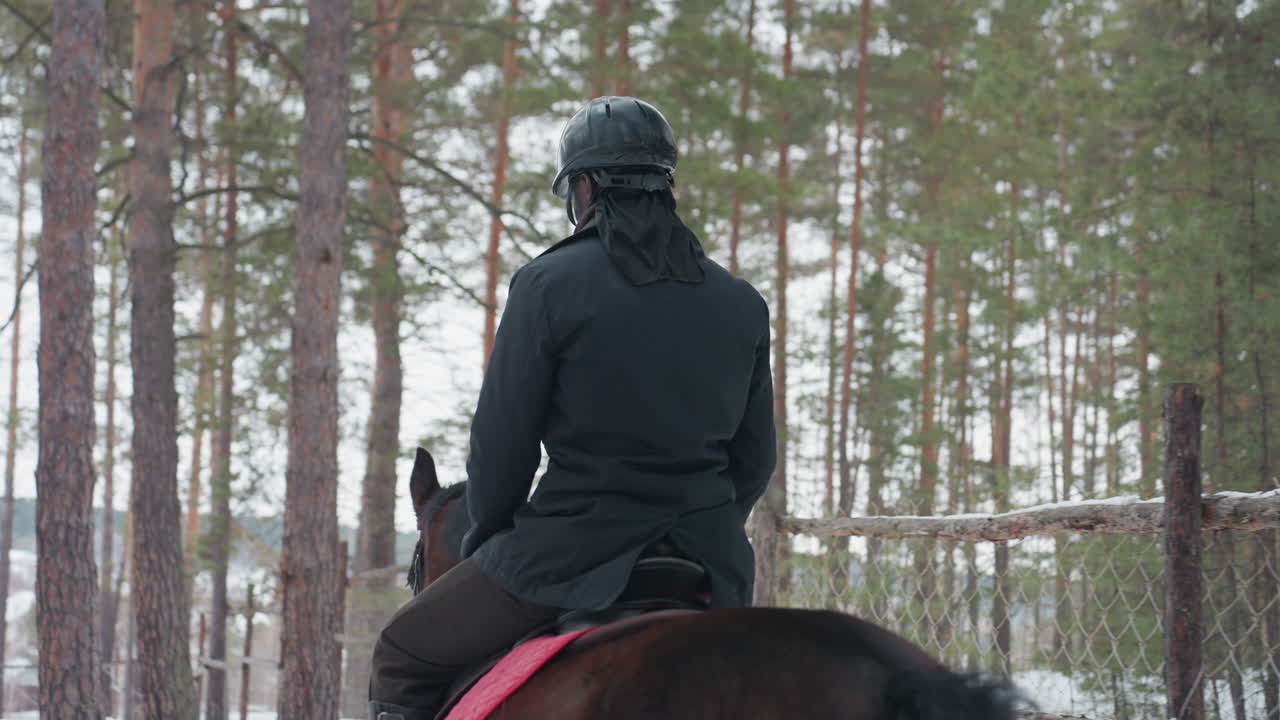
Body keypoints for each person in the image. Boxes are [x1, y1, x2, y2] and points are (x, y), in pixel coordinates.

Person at [368, 96, 776, 720]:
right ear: (664, 183)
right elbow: (754, 460)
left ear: (583, 187)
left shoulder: (546, 285)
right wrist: (706, 527)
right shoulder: (740, 301)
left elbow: (503, 450)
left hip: (570, 554)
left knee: (401, 652)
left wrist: (491, 541)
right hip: (708, 561)